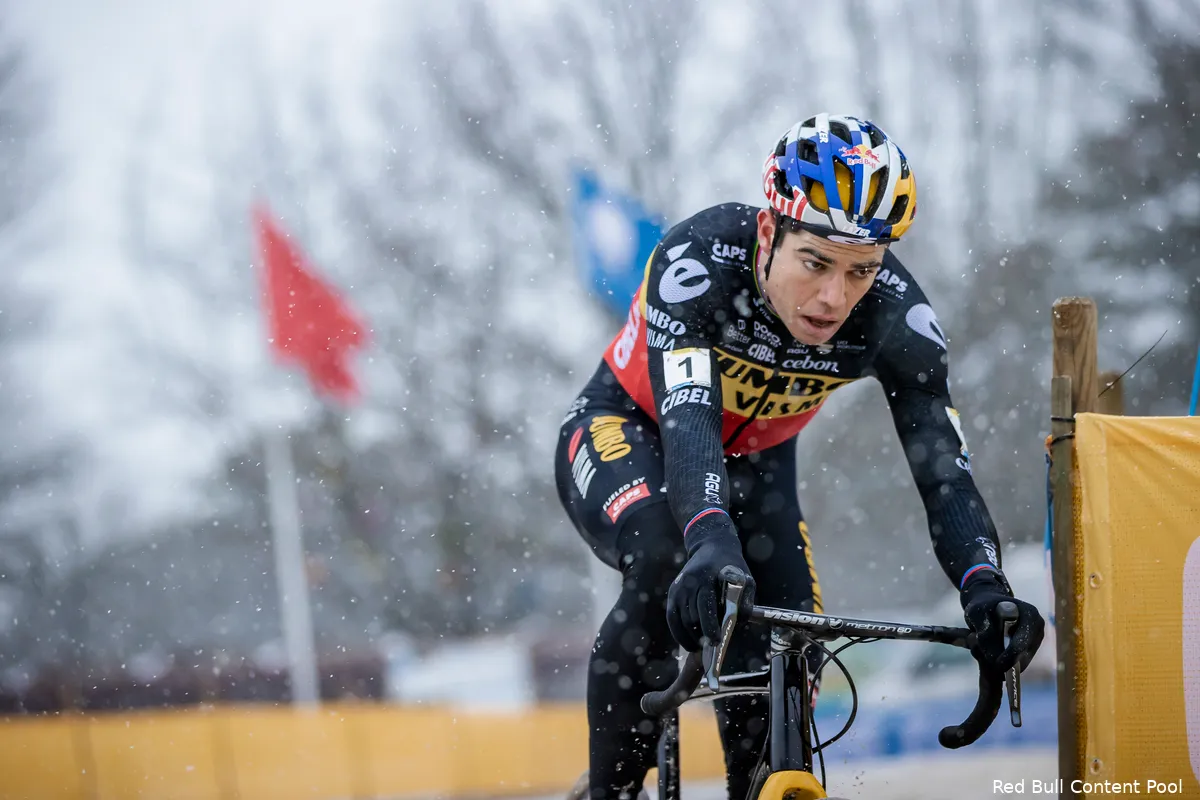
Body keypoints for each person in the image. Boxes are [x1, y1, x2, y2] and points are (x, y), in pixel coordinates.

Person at [554, 113, 1045, 800]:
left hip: (757, 467)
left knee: (790, 641)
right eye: (815, 262)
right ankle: (612, 790)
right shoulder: (697, 263)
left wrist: (985, 586)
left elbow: (944, 475)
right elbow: (690, 426)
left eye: (860, 271)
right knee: (669, 551)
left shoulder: (898, 319)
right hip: (633, 431)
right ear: (767, 233)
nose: (833, 297)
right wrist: (710, 536)